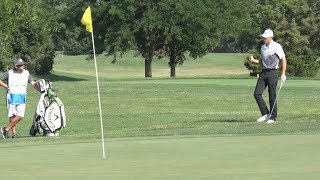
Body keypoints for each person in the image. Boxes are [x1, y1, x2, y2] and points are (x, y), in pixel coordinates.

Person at [249, 29, 287, 123]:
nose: (263, 38)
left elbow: (283, 59)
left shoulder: (277, 47)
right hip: (264, 72)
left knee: (272, 95)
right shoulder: (263, 47)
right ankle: (266, 114)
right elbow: (262, 61)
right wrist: (254, 61)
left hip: (273, 73)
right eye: (263, 37)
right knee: (257, 94)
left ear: (270, 37)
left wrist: (283, 74)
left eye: (265, 37)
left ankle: (273, 117)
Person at [0, 58, 40, 139]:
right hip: (12, 96)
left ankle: (5, 129)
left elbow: (33, 83)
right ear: (16, 66)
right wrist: (7, 87)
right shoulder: (9, 73)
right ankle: (14, 134)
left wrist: (40, 90)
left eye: (23, 65)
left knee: (20, 115)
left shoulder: (26, 73)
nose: (23, 66)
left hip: (22, 96)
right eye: (21, 65)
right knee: (12, 115)